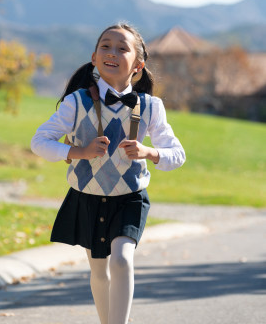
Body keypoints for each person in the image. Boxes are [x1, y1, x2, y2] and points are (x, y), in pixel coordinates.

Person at [31, 23, 186, 324]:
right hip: (87, 197)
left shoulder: (151, 107)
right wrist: (79, 152)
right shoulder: (76, 103)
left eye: (122, 47)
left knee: (122, 260)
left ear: (138, 66)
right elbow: (39, 142)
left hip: (129, 199)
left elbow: (177, 154)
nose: (112, 52)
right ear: (94, 57)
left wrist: (150, 153)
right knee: (99, 273)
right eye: (105, 45)